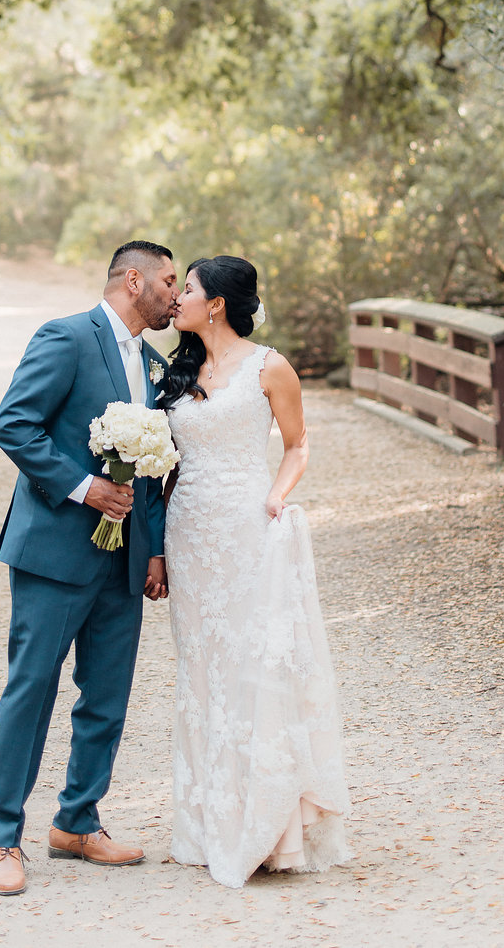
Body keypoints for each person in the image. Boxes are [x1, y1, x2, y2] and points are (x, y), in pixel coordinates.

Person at [0, 240, 177, 897]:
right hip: (55, 552)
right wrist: (82, 488)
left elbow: (146, 462)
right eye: (168, 282)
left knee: (108, 696)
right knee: (31, 691)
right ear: (133, 280)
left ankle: (77, 820)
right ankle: (3, 837)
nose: (176, 294)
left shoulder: (149, 361)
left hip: (122, 559)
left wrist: (153, 548)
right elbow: (14, 425)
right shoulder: (65, 337)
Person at [161, 255, 349, 890]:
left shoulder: (270, 367)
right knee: (203, 670)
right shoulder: (177, 370)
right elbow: (168, 464)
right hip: (188, 534)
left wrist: (278, 494)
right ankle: (210, 820)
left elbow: (297, 444)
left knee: (252, 666)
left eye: (184, 289)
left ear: (215, 303)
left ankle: (270, 826)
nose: (175, 299)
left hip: (246, 529)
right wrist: (156, 549)